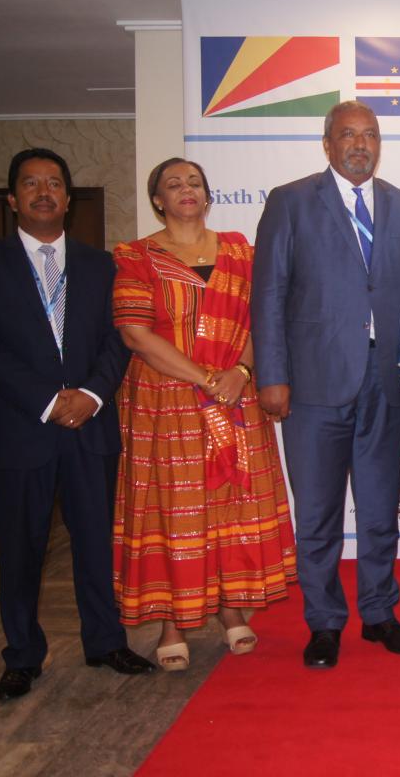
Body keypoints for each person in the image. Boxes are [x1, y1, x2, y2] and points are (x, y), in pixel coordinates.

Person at [0, 148, 155, 701]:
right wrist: (49, 401)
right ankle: (22, 655)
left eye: (54, 184)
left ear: (68, 200)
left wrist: (91, 395)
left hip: (90, 428)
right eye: (30, 184)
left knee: (96, 543)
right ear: (12, 199)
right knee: (21, 551)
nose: (43, 193)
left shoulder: (102, 264)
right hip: (23, 429)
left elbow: (119, 338)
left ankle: (106, 642)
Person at [253, 100, 400, 668]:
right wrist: (273, 375)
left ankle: (379, 614)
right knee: (319, 514)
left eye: (370, 135)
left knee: (379, 511)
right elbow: (270, 294)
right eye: (348, 135)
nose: (361, 144)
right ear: (327, 144)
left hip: (386, 383)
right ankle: (324, 622)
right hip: (312, 387)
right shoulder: (291, 201)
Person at [112, 158, 297, 671]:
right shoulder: (137, 255)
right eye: (172, 184)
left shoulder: (242, 252)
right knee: (178, 512)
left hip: (237, 396)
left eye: (194, 182)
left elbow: (269, 315)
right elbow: (135, 333)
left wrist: (239, 369)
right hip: (166, 403)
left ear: (208, 195)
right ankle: (174, 622)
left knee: (229, 505)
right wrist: (205, 379)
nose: (185, 190)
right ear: (157, 200)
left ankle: (232, 609)